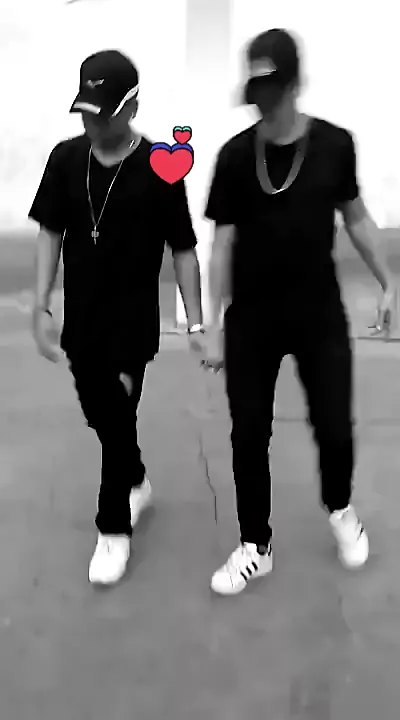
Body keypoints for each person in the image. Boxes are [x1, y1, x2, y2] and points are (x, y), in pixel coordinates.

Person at [202, 29, 395, 595]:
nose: (262, 102)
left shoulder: (334, 145)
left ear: (294, 85)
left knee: (334, 427)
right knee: (247, 433)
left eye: (271, 89)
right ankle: (254, 546)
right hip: (252, 317)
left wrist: (389, 281)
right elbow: (222, 245)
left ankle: (340, 508)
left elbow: (356, 217)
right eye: (255, 91)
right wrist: (211, 324)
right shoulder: (234, 157)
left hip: (318, 312)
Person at [29, 50, 204, 585]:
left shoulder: (159, 167)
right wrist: (40, 303)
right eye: (86, 113)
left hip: (132, 323)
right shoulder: (65, 160)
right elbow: (50, 232)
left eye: (104, 114)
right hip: (82, 320)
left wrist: (196, 322)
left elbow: (184, 250)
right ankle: (136, 478)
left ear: (132, 107)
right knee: (100, 413)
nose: (93, 124)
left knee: (116, 407)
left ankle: (113, 529)